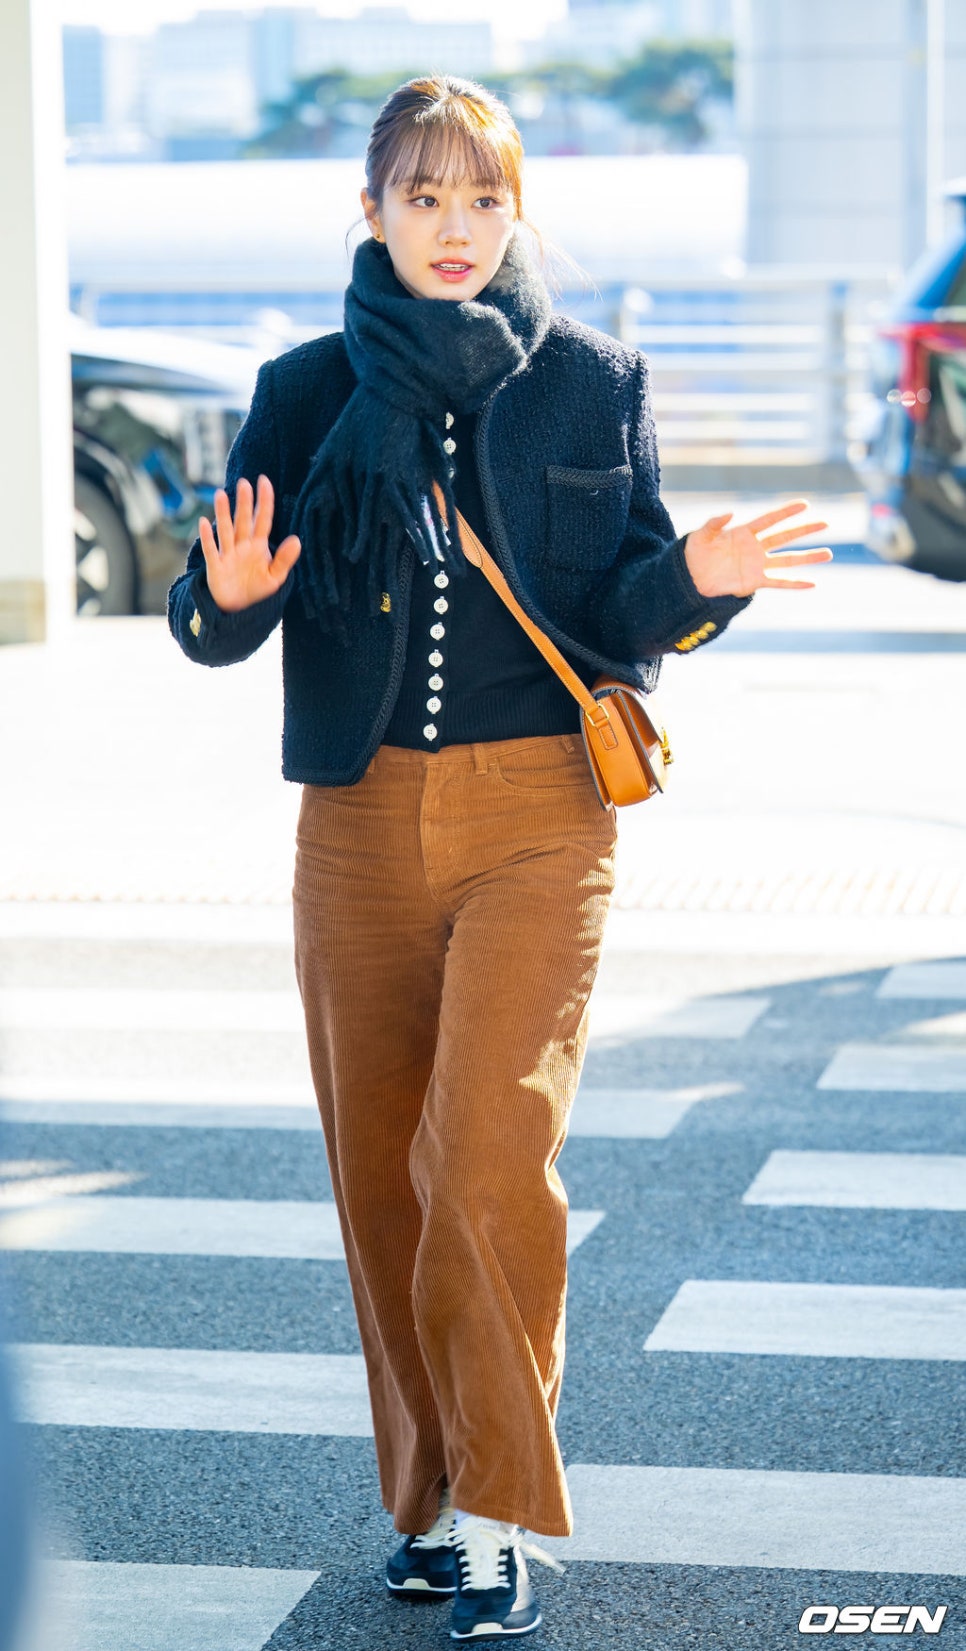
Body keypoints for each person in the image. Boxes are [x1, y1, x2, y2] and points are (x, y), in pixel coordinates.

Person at [168, 74, 832, 1643]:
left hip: (539, 819)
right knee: (380, 1177)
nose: (455, 226)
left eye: (483, 197)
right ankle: (424, 1502)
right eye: (423, 196)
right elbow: (211, 618)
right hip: (354, 821)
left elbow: (620, 616)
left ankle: (496, 1516)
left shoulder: (593, 381)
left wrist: (697, 580)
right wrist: (230, 600)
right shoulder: (303, 389)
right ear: (371, 210)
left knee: (481, 1161)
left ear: (515, 209)